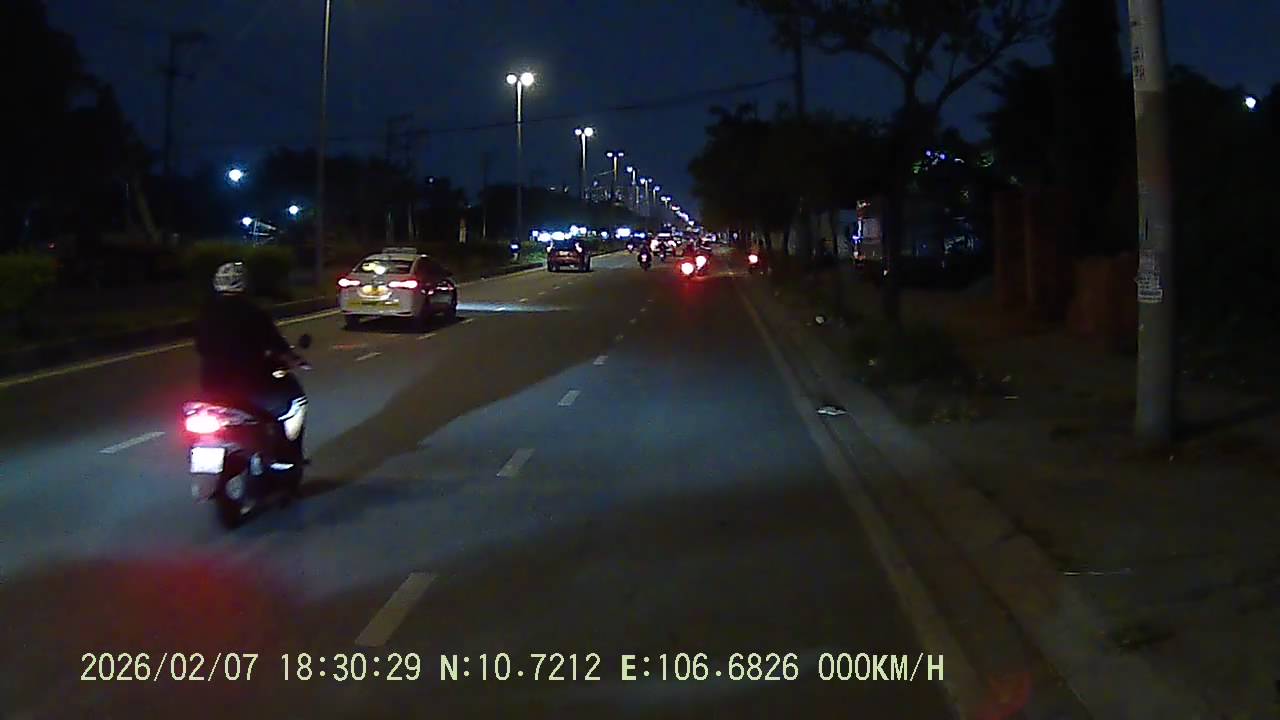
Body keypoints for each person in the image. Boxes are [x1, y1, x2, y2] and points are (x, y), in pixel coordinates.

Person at [195, 261, 307, 462]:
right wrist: (294, 359)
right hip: (250, 384)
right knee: (292, 404)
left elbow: (201, 346)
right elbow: (274, 342)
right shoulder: (252, 312)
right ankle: (286, 458)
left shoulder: (206, 313)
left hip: (211, 385)